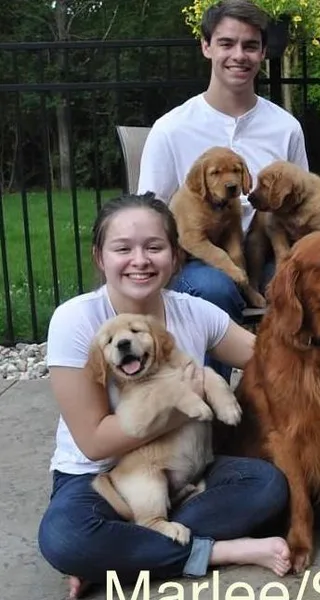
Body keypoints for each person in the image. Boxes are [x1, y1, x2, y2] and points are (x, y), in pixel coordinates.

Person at [38, 193, 291, 600]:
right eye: (123, 248)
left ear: (175, 256)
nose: (140, 260)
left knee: (267, 486)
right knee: (64, 537)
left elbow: (269, 359)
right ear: (100, 258)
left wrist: (315, 323)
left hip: (186, 472)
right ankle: (214, 552)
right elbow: (94, 440)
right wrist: (188, 400)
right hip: (97, 478)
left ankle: (121, 556)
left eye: (154, 247)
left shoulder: (194, 311)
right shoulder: (77, 320)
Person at [137, 0, 309, 381]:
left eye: (250, 46)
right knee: (213, 287)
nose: (239, 55)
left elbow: (301, 207)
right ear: (206, 47)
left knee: (310, 282)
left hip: (266, 251)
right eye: (227, 43)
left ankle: (294, 403)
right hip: (194, 263)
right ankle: (207, 407)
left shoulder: (285, 128)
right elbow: (148, 213)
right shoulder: (172, 128)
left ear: (263, 52)